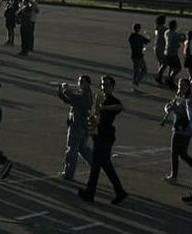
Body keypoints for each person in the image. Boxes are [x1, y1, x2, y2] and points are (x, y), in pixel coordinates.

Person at [78, 76, 128, 204]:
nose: (103, 87)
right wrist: (92, 120)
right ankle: (116, 192)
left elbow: (120, 107)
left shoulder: (111, 100)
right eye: (102, 84)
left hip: (106, 136)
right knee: (101, 165)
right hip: (98, 135)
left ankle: (93, 192)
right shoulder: (100, 98)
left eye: (106, 85)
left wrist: (104, 108)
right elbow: (96, 115)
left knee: (100, 165)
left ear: (112, 87)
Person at [55, 72, 93, 181]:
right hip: (82, 125)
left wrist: (65, 89)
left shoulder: (84, 95)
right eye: (79, 81)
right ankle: (96, 166)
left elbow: (72, 97)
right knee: (83, 149)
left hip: (77, 126)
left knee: (72, 150)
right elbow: (69, 100)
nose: (79, 83)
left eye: (82, 81)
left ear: (88, 84)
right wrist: (60, 91)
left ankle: (68, 174)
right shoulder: (82, 93)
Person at [164, 76, 192, 184]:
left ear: (188, 86)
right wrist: (168, 108)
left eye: (183, 85)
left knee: (174, 152)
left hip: (183, 128)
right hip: (181, 127)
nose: (180, 87)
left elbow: (188, 115)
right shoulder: (179, 96)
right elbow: (169, 105)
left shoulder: (189, 99)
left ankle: (174, 176)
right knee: (183, 154)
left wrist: (175, 108)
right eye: (179, 85)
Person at [128, 22, 149, 92]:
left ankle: (134, 83)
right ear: (139, 29)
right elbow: (147, 41)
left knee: (136, 70)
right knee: (144, 70)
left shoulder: (131, 37)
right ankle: (136, 81)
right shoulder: (139, 37)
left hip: (133, 55)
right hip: (139, 56)